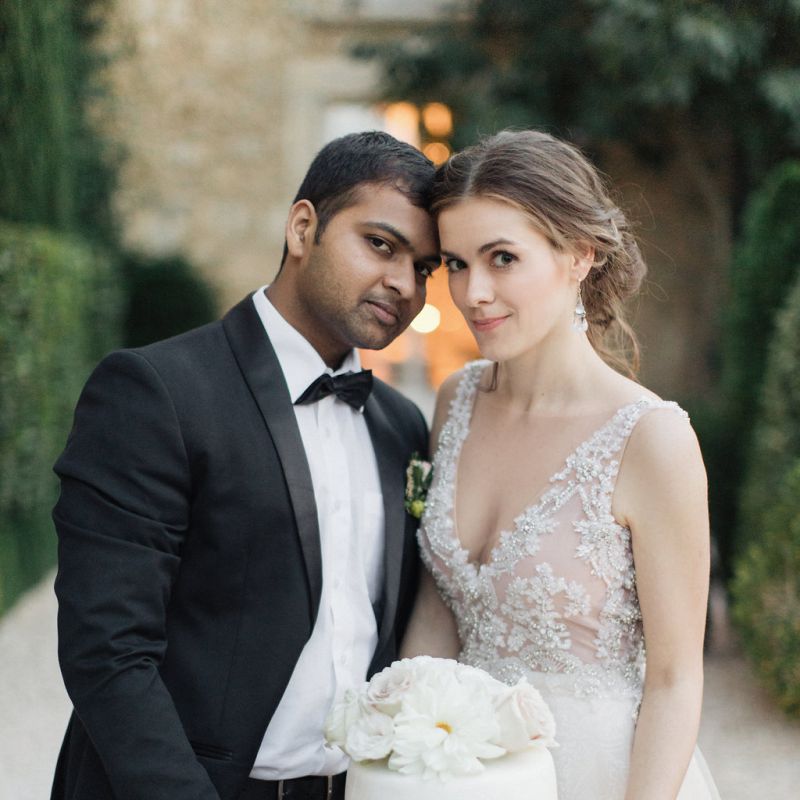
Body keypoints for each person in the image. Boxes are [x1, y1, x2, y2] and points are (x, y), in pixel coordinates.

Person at [51, 131, 440, 800]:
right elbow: (108, 651)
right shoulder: (155, 391)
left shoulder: (400, 428)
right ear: (301, 228)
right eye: (380, 244)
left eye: (426, 268)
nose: (404, 284)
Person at [402, 130, 721, 799]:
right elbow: (438, 612)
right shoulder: (455, 401)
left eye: (502, 258)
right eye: (456, 263)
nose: (473, 292)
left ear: (579, 255)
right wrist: (399, 752)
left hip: (599, 777)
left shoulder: (651, 440)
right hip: (465, 776)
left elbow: (674, 679)